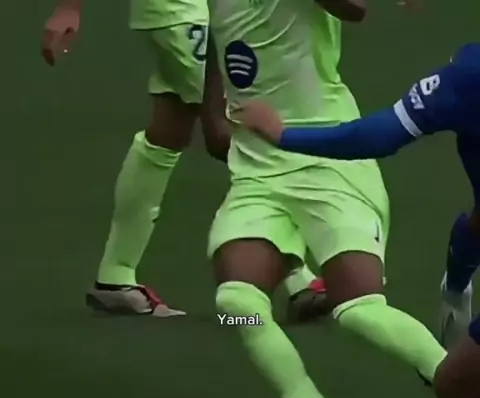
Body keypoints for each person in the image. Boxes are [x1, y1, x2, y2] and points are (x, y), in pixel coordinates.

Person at [206, 0, 448, 398]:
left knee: (358, 310)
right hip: (257, 173)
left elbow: (353, 9)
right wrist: (214, 107)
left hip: (330, 160)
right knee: (236, 307)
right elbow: (220, 39)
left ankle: (456, 376)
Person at [238, 42, 480, 398]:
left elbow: (377, 135)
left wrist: (283, 135)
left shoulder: (469, 75)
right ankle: (456, 288)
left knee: (454, 385)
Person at [41, 0, 324, 319]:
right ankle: (297, 277)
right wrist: (69, 8)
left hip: (188, 13)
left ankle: (115, 275)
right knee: (239, 127)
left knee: (170, 128)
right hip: (179, 14)